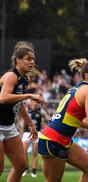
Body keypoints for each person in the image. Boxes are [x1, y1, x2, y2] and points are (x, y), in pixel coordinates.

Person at [0, 44, 43, 182]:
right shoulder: (11, 76)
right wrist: (29, 96)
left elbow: (18, 104)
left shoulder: (24, 79)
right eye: (28, 59)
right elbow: (4, 98)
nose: (32, 62)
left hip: (8, 126)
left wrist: (31, 124)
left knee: (21, 165)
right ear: (18, 60)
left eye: (33, 59)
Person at [21, 95, 47, 178]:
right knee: (23, 151)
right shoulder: (27, 110)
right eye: (33, 101)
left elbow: (47, 119)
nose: (34, 103)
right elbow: (24, 123)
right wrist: (22, 132)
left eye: (36, 102)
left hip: (37, 133)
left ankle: (34, 171)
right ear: (31, 102)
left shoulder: (41, 111)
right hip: (27, 133)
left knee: (35, 153)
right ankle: (25, 168)